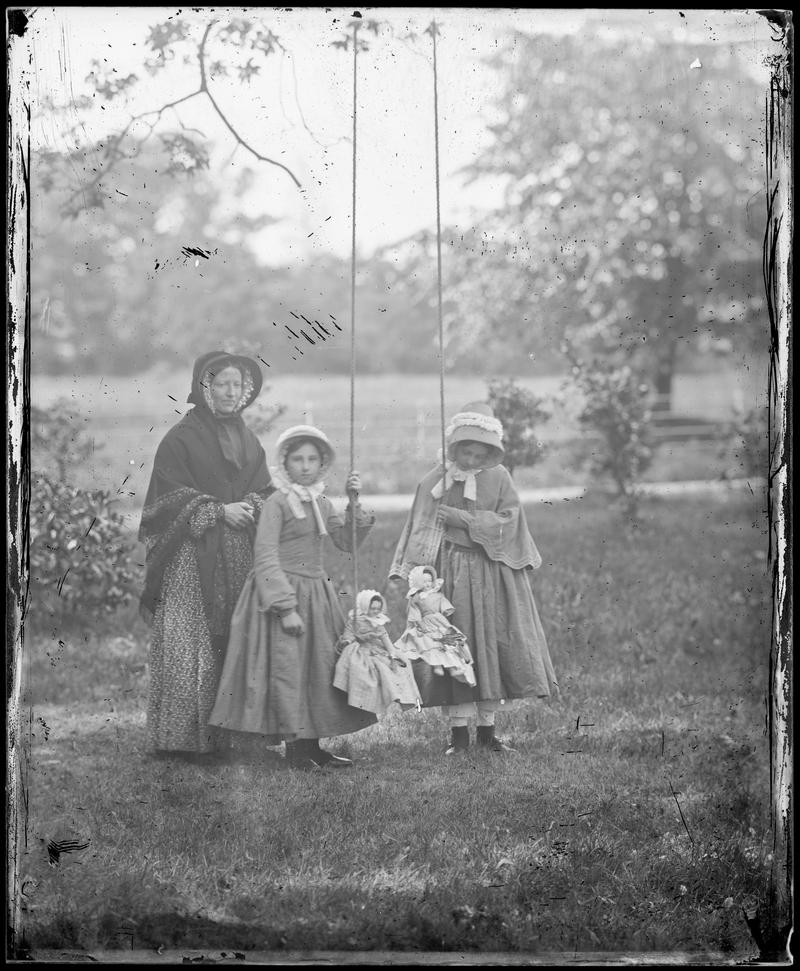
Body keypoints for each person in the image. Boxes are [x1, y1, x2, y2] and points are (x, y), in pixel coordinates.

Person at [389, 401, 558, 755]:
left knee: (489, 646)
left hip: (491, 573)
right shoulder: (437, 479)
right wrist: (411, 571)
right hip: (451, 576)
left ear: (492, 452)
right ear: (454, 448)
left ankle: (487, 732)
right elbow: (419, 525)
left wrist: (465, 520)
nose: (472, 459)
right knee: (454, 647)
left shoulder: (500, 479)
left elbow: (510, 520)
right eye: (466, 451)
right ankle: (459, 735)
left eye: (481, 453)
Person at [209, 425, 377, 770]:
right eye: (297, 459)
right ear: (285, 464)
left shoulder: (321, 501)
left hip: (316, 594)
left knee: (317, 668)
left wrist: (354, 501)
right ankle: (296, 750)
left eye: (312, 459)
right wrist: (285, 607)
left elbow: (346, 542)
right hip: (281, 594)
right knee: (289, 669)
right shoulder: (277, 503)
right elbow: (266, 555)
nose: (305, 466)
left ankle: (313, 746)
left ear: (322, 464)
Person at [139, 350, 273, 762]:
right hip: (192, 555)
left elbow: (265, 488)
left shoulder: (248, 438)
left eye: (238, 385)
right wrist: (216, 510)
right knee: (194, 639)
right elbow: (166, 498)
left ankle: (235, 737)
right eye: (222, 384)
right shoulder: (180, 437)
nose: (231, 392)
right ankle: (185, 740)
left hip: (238, 554)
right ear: (204, 387)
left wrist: (251, 504)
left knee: (238, 638)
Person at [333, 589, 422, 715]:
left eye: (377, 609)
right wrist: (347, 641)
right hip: (361, 650)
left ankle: (399, 695)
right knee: (365, 669)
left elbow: (386, 641)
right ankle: (361, 697)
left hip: (377, 649)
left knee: (396, 666)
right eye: (372, 608)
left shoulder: (378, 623)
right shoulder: (354, 621)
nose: (375, 611)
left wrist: (392, 655)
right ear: (364, 606)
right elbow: (349, 635)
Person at [394, 565, 475, 685]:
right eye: (424, 581)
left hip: (440, 621)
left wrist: (445, 609)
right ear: (418, 582)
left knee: (449, 642)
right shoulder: (416, 598)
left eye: (430, 581)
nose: (428, 584)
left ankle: (452, 668)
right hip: (426, 622)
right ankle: (437, 666)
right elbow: (414, 612)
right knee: (431, 643)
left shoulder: (438, 595)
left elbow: (444, 606)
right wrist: (419, 623)